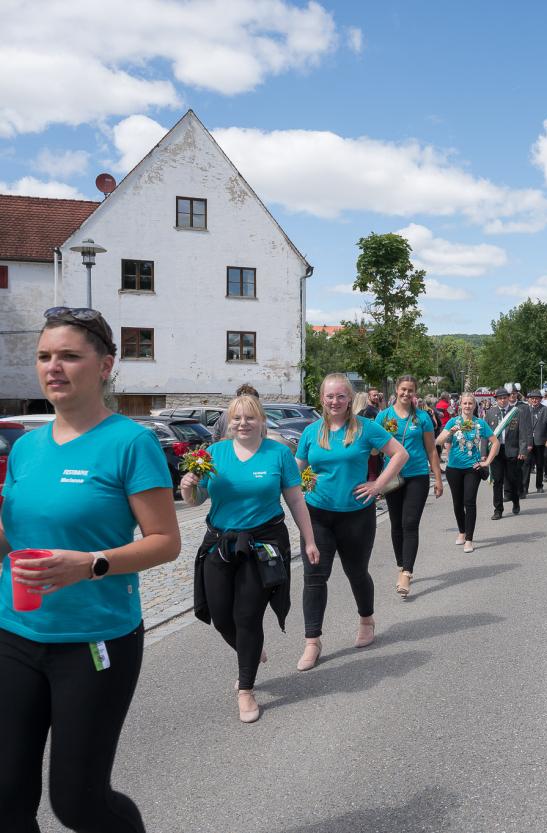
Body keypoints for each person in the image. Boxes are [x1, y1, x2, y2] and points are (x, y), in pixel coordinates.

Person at [0, 307, 180, 831]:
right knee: (6, 797)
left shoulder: (130, 442)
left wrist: (92, 564)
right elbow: (14, 543)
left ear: (104, 365)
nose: (53, 367)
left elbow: (166, 542)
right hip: (14, 633)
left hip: (94, 640)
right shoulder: (26, 447)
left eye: (69, 356)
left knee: (79, 803)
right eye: (44, 356)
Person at [182, 395, 319, 722]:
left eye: (250, 417)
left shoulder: (278, 454)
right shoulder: (213, 454)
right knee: (220, 616)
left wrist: (310, 540)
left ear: (262, 421)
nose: (243, 423)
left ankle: (246, 689)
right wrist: (188, 487)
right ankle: (252, 649)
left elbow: (295, 500)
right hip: (220, 543)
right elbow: (196, 500)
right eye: (237, 418)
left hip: (263, 544)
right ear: (228, 422)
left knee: (247, 616)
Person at [295, 374, 407, 671]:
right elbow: (296, 469)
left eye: (341, 396)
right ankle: (312, 641)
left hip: (356, 515)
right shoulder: (311, 432)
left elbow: (400, 454)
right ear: (322, 398)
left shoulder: (366, 428)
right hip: (317, 515)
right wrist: (297, 481)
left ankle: (366, 620)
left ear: (350, 398)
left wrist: (377, 485)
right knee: (314, 576)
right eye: (330, 396)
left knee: (356, 572)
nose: (335, 401)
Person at [375, 376, 443, 599]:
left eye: (410, 390)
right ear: (396, 390)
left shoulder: (422, 417)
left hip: (417, 476)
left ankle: (407, 572)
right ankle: (400, 564)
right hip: (392, 477)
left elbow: (431, 449)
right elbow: (373, 448)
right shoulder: (384, 416)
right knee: (396, 524)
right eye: (403, 389)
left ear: (415, 392)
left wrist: (438, 478)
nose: (406, 393)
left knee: (410, 523)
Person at [437, 393, 498, 552]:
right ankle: (462, 532)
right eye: (465, 403)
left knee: (469, 501)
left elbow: (495, 442)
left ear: (474, 405)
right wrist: (450, 433)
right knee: (457, 503)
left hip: (473, 468)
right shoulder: (453, 422)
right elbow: (438, 441)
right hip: (454, 469)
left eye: (470, 403)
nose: (467, 406)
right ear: (460, 405)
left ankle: (469, 539)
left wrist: (487, 462)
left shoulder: (480, 423)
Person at [485, 388, 525, 520]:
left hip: (512, 450)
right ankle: (498, 510)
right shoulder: (490, 413)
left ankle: (515, 501)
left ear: (508, 398)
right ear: (496, 400)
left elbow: (523, 433)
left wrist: (522, 450)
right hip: (496, 451)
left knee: (512, 479)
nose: (502, 400)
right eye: (500, 398)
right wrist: (483, 453)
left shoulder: (517, 412)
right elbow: (485, 435)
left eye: (504, 398)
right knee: (497, 481)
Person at [524, 390, 547, 493]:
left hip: (540, 441)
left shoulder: (545, 410)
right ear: (529, 399)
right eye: (532, 398)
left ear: (540, 399)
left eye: (537, 398)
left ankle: (539, 485)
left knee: (540, 464)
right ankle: (524, 487)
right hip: (527, 441)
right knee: (526, 465)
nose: (534, 400)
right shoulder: (525, 409)